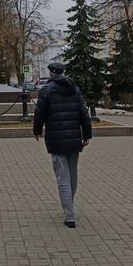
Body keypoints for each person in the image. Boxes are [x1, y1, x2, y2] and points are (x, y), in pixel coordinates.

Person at [32, 61, 92, 228]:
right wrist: (87, 134)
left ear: (50, 73)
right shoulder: (74, 89)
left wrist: (37, 130)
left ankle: (69, 215)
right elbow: (84, 113)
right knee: (72, 176)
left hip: (56, 140)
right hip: (74, 139)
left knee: (62, 178)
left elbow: (39, 113)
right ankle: (69, 205)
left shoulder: (46, 91)